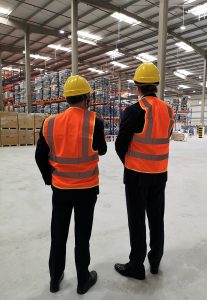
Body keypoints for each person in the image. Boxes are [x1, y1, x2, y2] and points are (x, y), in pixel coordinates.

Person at [35, 75, 107, 294]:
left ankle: (55, 279)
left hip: (61, 189)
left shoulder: (50, 122)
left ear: (66, 98)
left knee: (58, 235)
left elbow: (40, 156)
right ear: (86, 98)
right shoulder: (95, 121)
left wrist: (50, 179)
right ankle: (83, 280)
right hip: (87, 190)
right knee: (82, 236)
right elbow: (102, 150)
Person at [114, 62, 174, 280]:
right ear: (155, 86)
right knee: (157, 218)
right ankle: (155, 261)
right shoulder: (168, 110)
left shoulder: (134, 110)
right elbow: (164, 137)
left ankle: (136, 266)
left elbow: (120, 144)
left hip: (137, 175)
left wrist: (129, 162)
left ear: (137, 86)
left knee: (137, 220)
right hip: (160, 173)